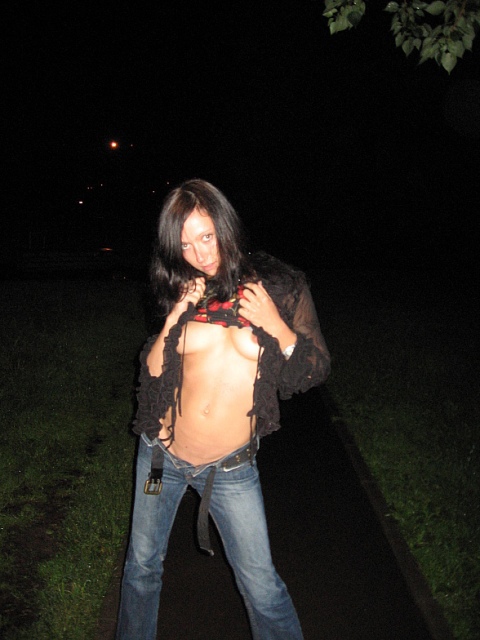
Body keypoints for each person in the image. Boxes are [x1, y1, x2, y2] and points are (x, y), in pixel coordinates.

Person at [116, 179, 330, 640]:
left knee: (261, 585)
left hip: (230, 468)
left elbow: (312, 371)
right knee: (142, 567)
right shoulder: (182, 285)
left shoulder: (278, 285)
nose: (199, 253)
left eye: (206, 237)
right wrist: (175, 317)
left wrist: (275, 324)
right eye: (185, 244)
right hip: (160, 459)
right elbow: (150, 374)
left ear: (225, 226)